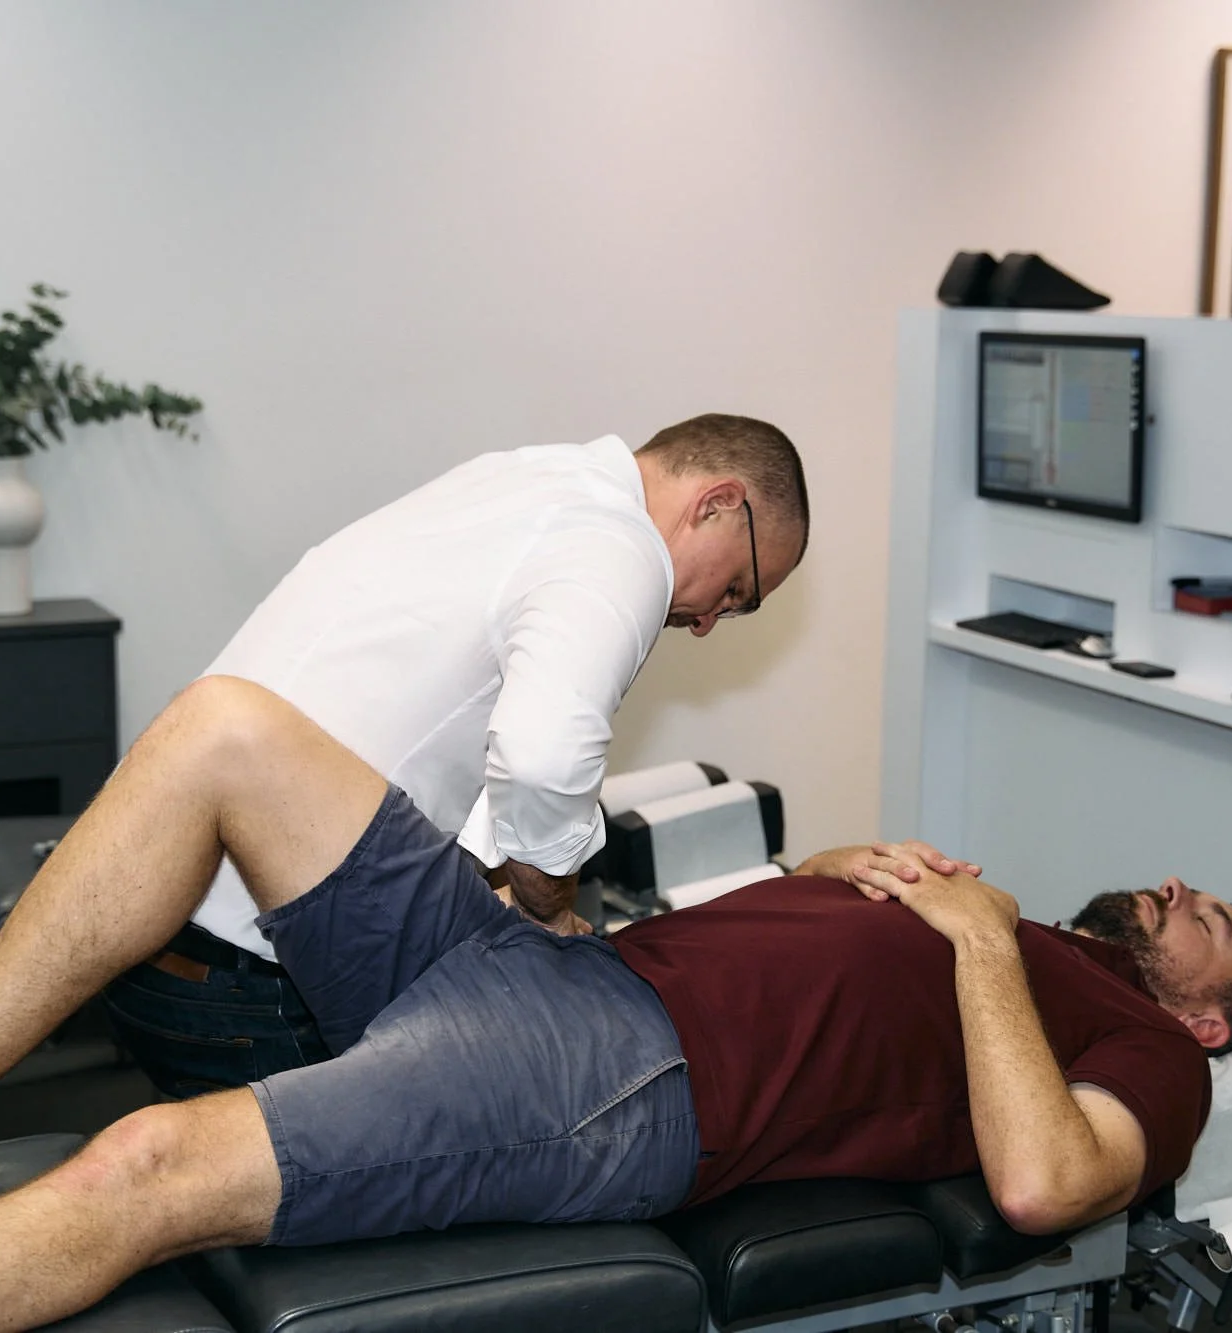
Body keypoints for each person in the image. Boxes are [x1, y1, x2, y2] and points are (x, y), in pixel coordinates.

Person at [0, 678, 1232, 1333]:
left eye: (1206, 917)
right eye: (1184, 882)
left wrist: (974, 941)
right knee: (229, 728)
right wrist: (835, 875)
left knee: (148, 1161)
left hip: (615, 1076)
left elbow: (1045, 1181)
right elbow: (807, 966)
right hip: (557, 967)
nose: (1173, 890)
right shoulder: (1001, 929)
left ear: (1212, 1020)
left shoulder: (1140, 1055)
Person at [108, 414, 810, 1093]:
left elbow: (460, 738)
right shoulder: (624, 546)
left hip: (149, 925)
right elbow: (542, 763)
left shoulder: (526, 477)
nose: (709, 621)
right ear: (718, 503)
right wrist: (549, 909)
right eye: (736, 590)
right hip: (252, 979)